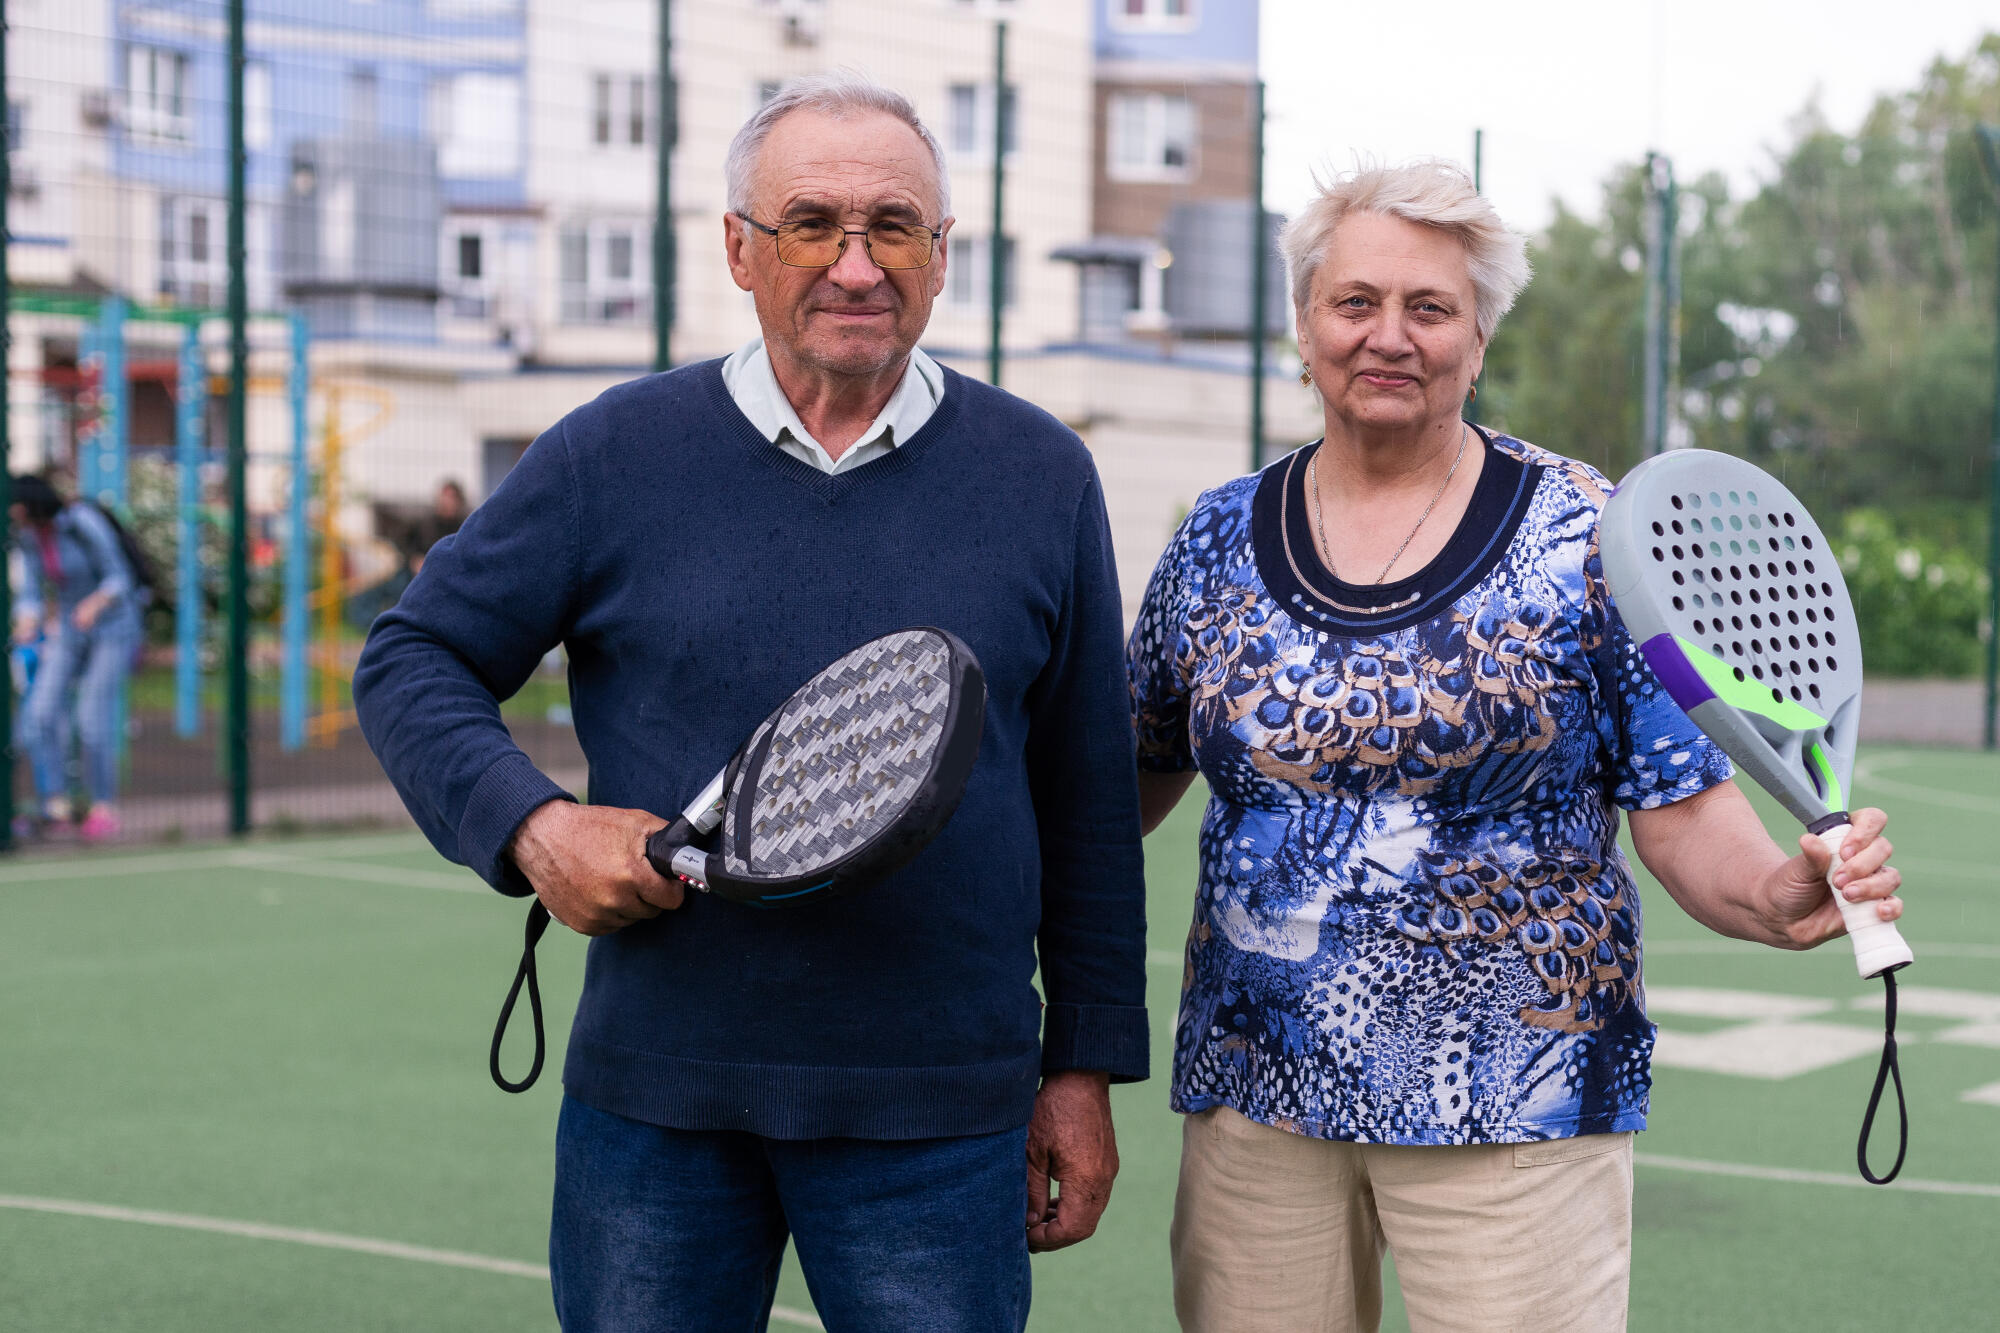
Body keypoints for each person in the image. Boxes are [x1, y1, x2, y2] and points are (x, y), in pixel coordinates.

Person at [353, 74, 1147, 1332]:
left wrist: (1083, 1070)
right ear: (739, 247)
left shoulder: (1041, 472)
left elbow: (1087, 802)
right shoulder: (610, 452)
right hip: (657, 1104)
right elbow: (410, 659)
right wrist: (533, 826)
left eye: (893, 227)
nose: (853, 264)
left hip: (941, 1113)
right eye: (810, 223)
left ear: (940, 258)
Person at [1126, 163, 1904, 1333]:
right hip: (1255, 1103)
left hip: (1515, 1108)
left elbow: (1680, 805)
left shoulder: (1587, 536)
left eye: (1430, 309)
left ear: (1476, 338)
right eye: (1355, 303)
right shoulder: (1213, 539)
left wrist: (1772, 890)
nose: (1389, 336)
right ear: (1302, 324)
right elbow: (1120, 780)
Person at [9, 473, 145, 842]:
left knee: (90, 720)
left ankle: (103, 806)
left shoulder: (82, 522)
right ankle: (56, 804)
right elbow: (32, 590)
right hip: (70, 630)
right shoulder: (31, 536)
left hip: (113, 628)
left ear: (28, 502)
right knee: (38, 714)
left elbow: (120, 577)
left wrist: (95, 603)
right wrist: (27, 616)